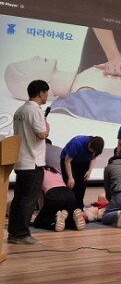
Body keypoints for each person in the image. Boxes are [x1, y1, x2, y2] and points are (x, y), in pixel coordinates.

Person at [7, 80, 50, 245]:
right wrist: (47, 126)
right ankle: (23, 234)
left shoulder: (20, 110)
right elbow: (41, 134)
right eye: (46, 92)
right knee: (28, 200)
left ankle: (13, 233)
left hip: (21, 161)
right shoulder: (34, 110)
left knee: (19, 199)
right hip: (33, 162)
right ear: (41, 93)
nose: (47, 95)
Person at [33, 166, 86, 232]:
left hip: (53, 194)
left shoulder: (39, 173)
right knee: (65, 216)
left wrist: (42, 210)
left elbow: (40, 196)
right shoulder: (55, 171)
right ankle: (73, 223)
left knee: (39, 222)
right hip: (69, 194)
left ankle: (55, 221)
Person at [60, 135, 105, 209]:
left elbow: (93, 158)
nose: (92, 152)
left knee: (81, 184)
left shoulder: (96, 148)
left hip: (83, 161)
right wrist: (70, 177)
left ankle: (79, 207)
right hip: (70, 161)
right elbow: (67, 161)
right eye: (91, 149)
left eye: (94, 151)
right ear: (89, 144)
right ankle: (68, 208)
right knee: (71, 185)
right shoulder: (77, 144)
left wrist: (89, 170)